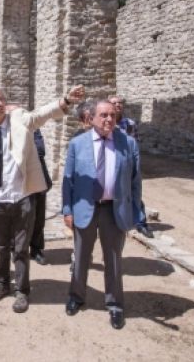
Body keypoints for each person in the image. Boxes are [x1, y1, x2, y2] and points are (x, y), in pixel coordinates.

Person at [0, 85, 84, 313]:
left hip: (23, 197)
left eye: (2, 99)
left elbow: (40, 115)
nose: (0, 103)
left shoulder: (19, 120)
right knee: (1, 246)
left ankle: (22, 291)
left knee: (21, 248)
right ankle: (2, 283)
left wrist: (65, 100)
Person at [62, 100, 145, 330]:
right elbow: (68, 181)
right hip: (85, 208)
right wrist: (67, 209)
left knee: (114, 260)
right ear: (92, 118)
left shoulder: (128, 144)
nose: (109, 119)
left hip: (113, 210)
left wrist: (135, 212)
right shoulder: (78, 144)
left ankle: (115, 304)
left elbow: (136, 181)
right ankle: (76, 297)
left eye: (112, 115)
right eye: (103, 115)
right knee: (80, 257)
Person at [108, 95, 152, 238]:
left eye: (120, 103)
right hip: (112, 162)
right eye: (115, 103)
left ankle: (140, 222)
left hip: (128, 162)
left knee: (134, 191)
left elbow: (135, 143)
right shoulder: (106, 122)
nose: (118, 105)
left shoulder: (130, 124)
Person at [29, 128, 51, 265]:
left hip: (38, 179)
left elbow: (40, 150)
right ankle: (16, 248)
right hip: (17, 181)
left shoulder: (34, 130)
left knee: (38, 217)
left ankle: (36, 249)